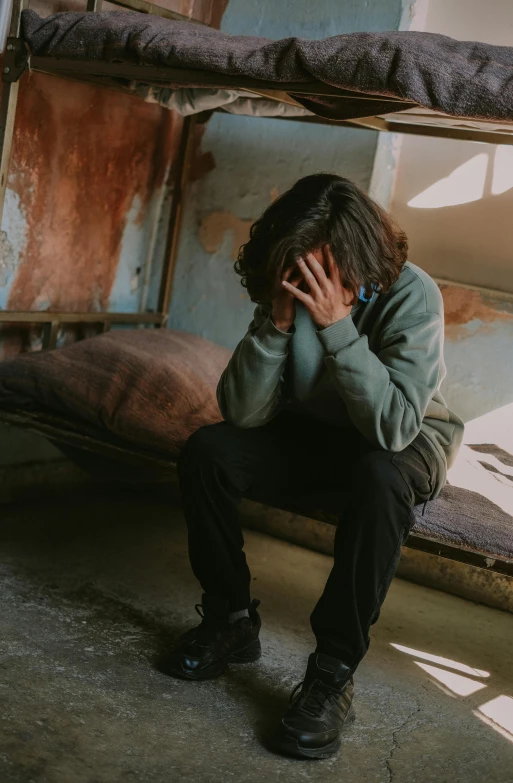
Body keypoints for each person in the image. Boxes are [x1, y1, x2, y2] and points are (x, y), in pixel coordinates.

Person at [162, 173, 464, 760]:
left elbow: (394, 428)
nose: (310, 278)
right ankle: (229, 619)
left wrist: (337, 328)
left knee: (378, 478)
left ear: (359, 253)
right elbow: (242, 414)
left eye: (325, 265)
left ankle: (332, 670)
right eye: (298, 265)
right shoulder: (288, 283)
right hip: (320, 433)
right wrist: (277, 322)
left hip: (404, 437)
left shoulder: (414, 294)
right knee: (208, 451)